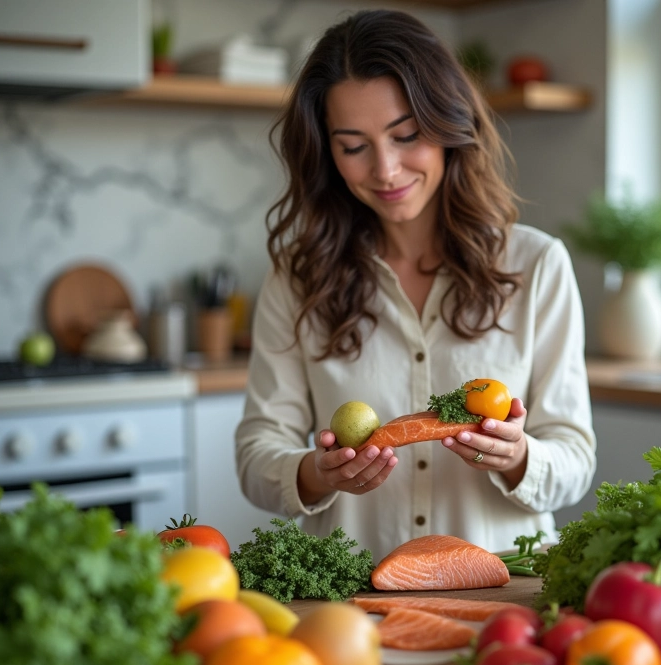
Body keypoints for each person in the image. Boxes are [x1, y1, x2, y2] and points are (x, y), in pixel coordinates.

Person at [235, 9, 596, 562]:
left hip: (505, 588)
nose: (385, 169)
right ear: (327, 152)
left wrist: (520, 456)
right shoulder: (297, 276)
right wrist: (319, 473)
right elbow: (257, 457)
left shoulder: (536, 264)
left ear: (450, 123)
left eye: (407, 135)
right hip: (354, 592)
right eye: (353, 146)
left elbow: (575, 460)